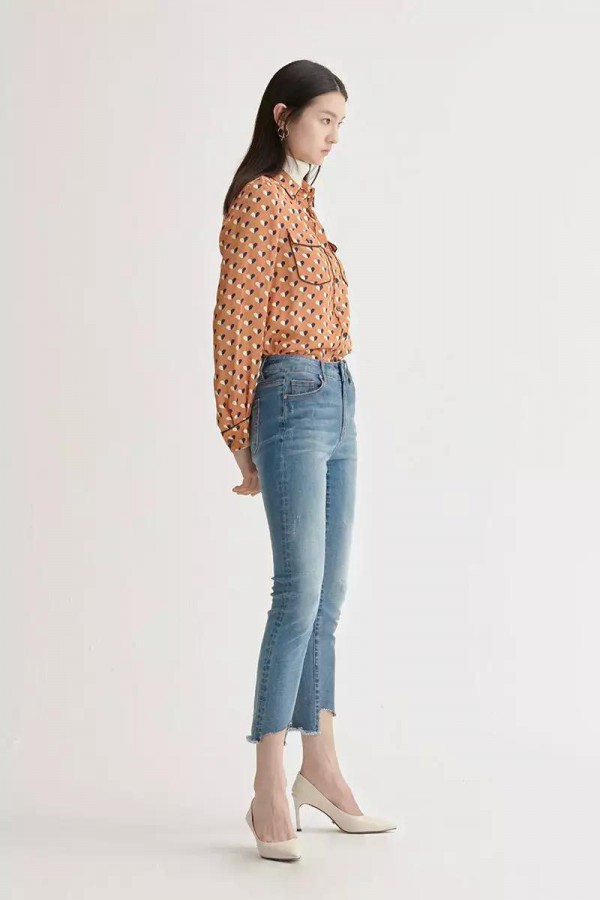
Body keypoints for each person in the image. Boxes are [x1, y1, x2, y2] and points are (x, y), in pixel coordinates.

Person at [213, 60, 396, 861]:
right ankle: (266, 785)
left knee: (329, 597)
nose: (334, 137)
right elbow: (234, 324)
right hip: (289, 397)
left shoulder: (304, 204)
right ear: (282, 116)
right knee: (296, 595)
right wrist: (238, 436)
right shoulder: (258, 201)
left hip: (339, 395)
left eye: (341, 124)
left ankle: (320, 769)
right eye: (325, 120)